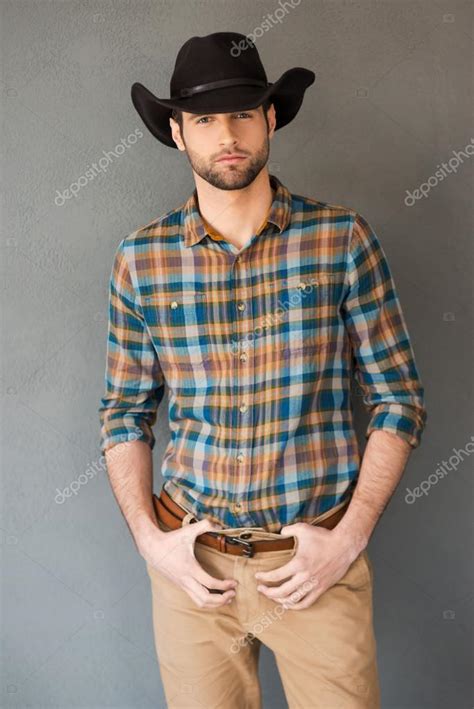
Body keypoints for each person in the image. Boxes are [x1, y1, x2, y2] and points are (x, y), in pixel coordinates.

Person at [98, 31, 427, 709]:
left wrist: (350, 538)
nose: (228, 134)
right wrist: (149, 543)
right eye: (205, 118)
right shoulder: (143, 259)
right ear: (176, 130)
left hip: (314, 566)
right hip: (193, 569)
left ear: (272, 117)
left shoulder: (342, 241)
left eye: (245, 112)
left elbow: (399, 400)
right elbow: (124, 413)